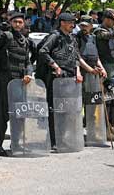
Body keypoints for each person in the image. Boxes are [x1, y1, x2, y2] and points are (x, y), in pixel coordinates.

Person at [0, 12, 34, 156]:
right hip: (5, 80)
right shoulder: (5, 36)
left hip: (20, 82)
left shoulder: (24, 40)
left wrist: (28, 73)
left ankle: (17, 144)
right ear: (10, 22)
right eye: (15, 22)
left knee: (19, 114)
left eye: (20, 22)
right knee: (2, 114)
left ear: (24, 24)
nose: (18, 24)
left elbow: (28, 61)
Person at [37, 12, 84, 149]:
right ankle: (53, 140)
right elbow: (43, 51)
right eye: (70, 22)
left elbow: (75, 57)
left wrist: (78, 72)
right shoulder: (55, 36)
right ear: (62, 22)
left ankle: (63, 137)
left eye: (73, 22)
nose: (72, 25)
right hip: (55, 78)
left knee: (67, 109)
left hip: (69, 78)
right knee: (54, 109)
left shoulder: (72, 38)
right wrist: (55, 66)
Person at [94, 10, 114, 140]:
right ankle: (105, 128)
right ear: (107, 19)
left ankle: (111, 126)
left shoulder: (110, 30)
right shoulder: (99, 31)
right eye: (113, 20)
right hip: (105, 67)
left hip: (113, 66)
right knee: (106, 99)